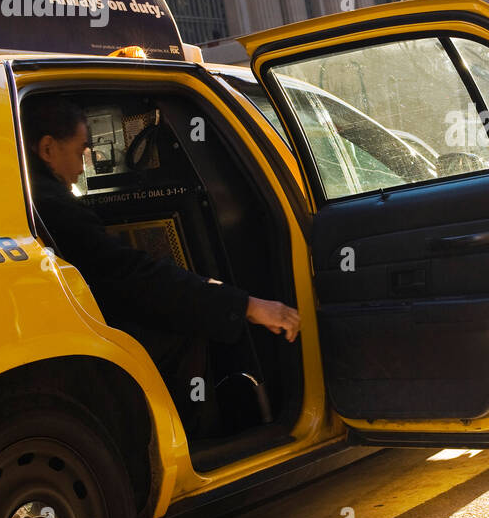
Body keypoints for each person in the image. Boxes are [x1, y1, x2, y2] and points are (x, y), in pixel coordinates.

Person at [22, 94, 300, 436]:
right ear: (48, 149)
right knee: (182, 332)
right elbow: (133, 277)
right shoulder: (53, 205)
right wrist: (245, 305)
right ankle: (195, 440)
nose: (82, 167)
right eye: (80, 151)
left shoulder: (31, 198)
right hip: (75, 344)